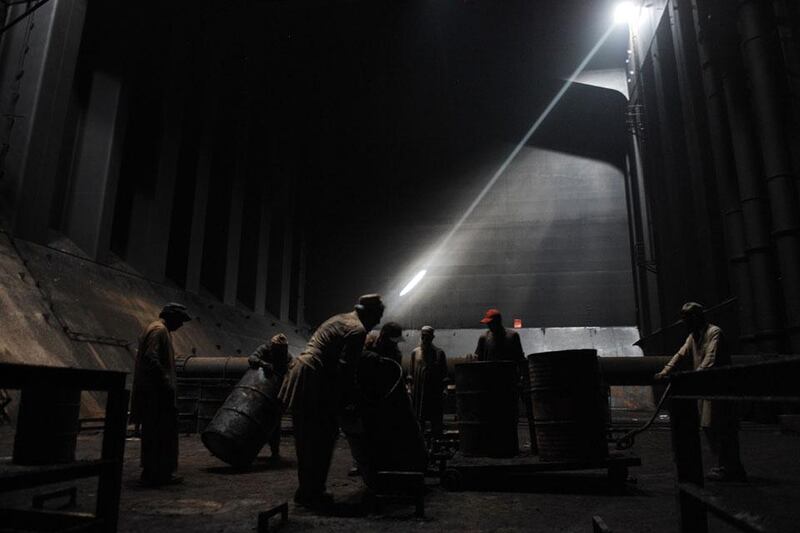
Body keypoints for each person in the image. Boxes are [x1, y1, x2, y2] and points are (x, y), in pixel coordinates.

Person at [278, 294, 385, 510]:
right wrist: (355, 401)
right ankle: (312, 493)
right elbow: (346, 372)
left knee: (306, 438)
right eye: (377, 318)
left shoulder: (339, 319)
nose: (377, 323)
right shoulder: (357, 330)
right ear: (369, 314)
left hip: (302, 372)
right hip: (314, 379)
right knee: (322, 437)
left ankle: (307, 490)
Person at [655, 302, 747, 482]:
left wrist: (693, 377)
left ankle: (731, 468)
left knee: (722, 427)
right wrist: (665, 371)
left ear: (697, 317)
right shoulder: (693, 336)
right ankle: (727, 466)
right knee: (710, 426)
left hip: (719, 389)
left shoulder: (714, 333)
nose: (685, 323)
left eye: (687, 319)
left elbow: (710, 359)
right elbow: (680, 355)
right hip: (707, 389)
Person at [130, 303, 191, 486]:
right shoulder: (159, 331)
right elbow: (151, 357)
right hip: (157, 397)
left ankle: (153, 471)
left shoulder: (158, 329)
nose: (181, 325)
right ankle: (159, 473)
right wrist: (166, 382)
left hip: (155, 395)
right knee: (162, 435)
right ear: (171, 316)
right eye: (180, 320)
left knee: (155, 435)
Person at [474, 308, 536, 452]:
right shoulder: (484, 338)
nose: (488, 326)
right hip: (492, 384)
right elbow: (479, 361)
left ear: (497, 322)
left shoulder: (512, 336)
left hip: (508, 383)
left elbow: (519, 359)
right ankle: (495, 447)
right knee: (493, 417)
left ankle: (509, 447)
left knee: (509, 417)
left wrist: (522, 379)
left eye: (490, 323)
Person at [248, 333, 292, 459]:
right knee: (255, 420)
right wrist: (263, 364)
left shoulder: (287, 357)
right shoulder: (265, 349)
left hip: (275, 392)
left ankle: (275, 452)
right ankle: (250, 448)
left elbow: (292, 369)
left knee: (274, 423)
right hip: (259, 389)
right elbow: (252, 358)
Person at [409, 326, 448, 436]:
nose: (425, 339)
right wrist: (410, 388)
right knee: (419, 420)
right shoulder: (415, 353)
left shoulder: (439, 353)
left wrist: (444, 389)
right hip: (419, 392)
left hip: (434, 393)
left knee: (435, 420)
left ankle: (436, 444)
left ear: (432, 337)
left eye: (427, 337)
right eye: (423, 336)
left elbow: (444, 374)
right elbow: (410, 374)